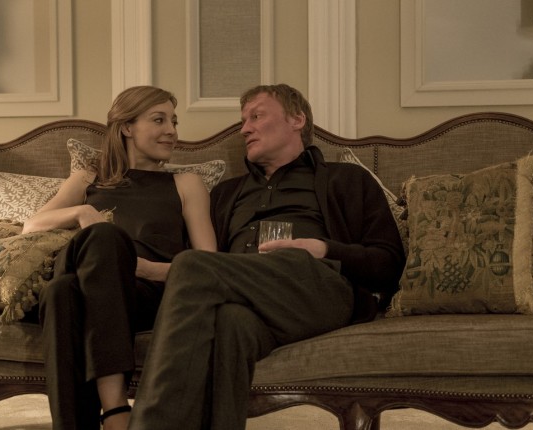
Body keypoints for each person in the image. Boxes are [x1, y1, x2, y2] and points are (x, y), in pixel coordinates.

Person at [127, 83, 405, 430]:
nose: (245, 129)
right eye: (243, 121)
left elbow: (389, 264)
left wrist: (322, 248)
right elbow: (211, 266)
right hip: (245, 297)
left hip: (315, 288)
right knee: (230, 323)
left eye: (256, 117)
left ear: (297, 120)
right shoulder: (227, 193)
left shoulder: (347, 179)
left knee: (192, 264)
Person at [22, 86, 217, 430]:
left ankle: (103, 414)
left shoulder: (186, 183)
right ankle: (113, 411)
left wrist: (140, 268)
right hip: (87, 279)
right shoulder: (88, 178)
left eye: (173, 121)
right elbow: (31, 226)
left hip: (144, 294)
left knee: (61, 293)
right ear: (127, 127)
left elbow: (209, 266)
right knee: (96, 246)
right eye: (159, 120)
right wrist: (83, 211)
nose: (171, 130)